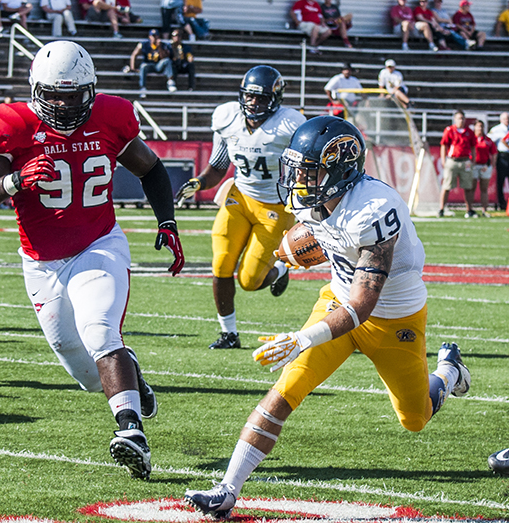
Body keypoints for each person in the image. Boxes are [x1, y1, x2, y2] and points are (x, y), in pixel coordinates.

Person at [183, 116, 471, 518]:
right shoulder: (313, 199)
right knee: (284, 392)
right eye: (296, 167)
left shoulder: (375, 209)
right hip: (336, 302)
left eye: (307, 169)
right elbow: (321, 244)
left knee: (415, 417)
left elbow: (362, 306)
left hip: (391, 318)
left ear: (339, 168)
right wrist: (288, 256)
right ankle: (227, 488)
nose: (297, 177)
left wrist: (303, 339)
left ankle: (449, 373)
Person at [0, 41, 185, 480]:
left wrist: (167, 223)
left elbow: (152, 169)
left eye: (73, 94)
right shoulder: (11, 125)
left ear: (92, 89)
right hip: (42, 260)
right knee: (85, 371)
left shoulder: (111, 117)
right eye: (54, 94)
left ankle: (131, 432)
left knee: (100, 328)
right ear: (36, 90)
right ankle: (131, 378)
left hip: (99, 243)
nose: (63, 105)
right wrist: (14, 180)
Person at [174, 66, 306, 350]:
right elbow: (219, 165)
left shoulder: (290, 124)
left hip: (275, 206)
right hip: (239, 197)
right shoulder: (228, 117)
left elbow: (303, 168)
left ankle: (280, 270)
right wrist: (199, 182)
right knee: (221, 264)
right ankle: (229, 334)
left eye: (260, 99)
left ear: (275, 99)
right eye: (249, 97)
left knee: (249, 280)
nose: (253, 104)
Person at [438, 110, 477, 218]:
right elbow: (444, 145)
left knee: (468, 186)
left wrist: (473, 159)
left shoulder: (469, 131)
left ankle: (469, 209)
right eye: (459, 118)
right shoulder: (450, 130)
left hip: (465, 161)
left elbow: (473, 146)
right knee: (446, 186)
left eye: (463, 118)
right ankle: (441, 208)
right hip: (453, 160)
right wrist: (443, 160)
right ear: (455, 119)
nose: (461, 120)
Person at [128, 28, 176, 98]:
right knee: (143, 66)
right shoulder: (144, 44)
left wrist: (159, 48)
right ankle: (143, 88)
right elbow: (134, 55)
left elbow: (164, 57)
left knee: (167, 61)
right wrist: (133, 68)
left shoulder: (163, 45)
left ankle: (170, 82)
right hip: (149, 65)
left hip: (159, 65)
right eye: (153, 36)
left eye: (156, 36)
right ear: (149, 37)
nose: (154, 38)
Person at [487, 112, 509, 211]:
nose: (506, 120)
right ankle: (501, 203)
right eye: (504, 119)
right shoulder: (496, 130)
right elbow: (489, 141)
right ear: (501, 120)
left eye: (508, 118)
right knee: (501, 181)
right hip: (502, 156)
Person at [471, 120, 497, 218]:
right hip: (474, 165)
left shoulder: (488, 140)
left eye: (482, 126)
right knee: (471, 188)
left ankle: (484, 209)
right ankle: (470, 209)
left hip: (485, 166)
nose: (480, 128)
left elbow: (494, 153)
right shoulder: (471, 139)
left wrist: (492, 165)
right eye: (478, 126)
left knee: (484, 189)